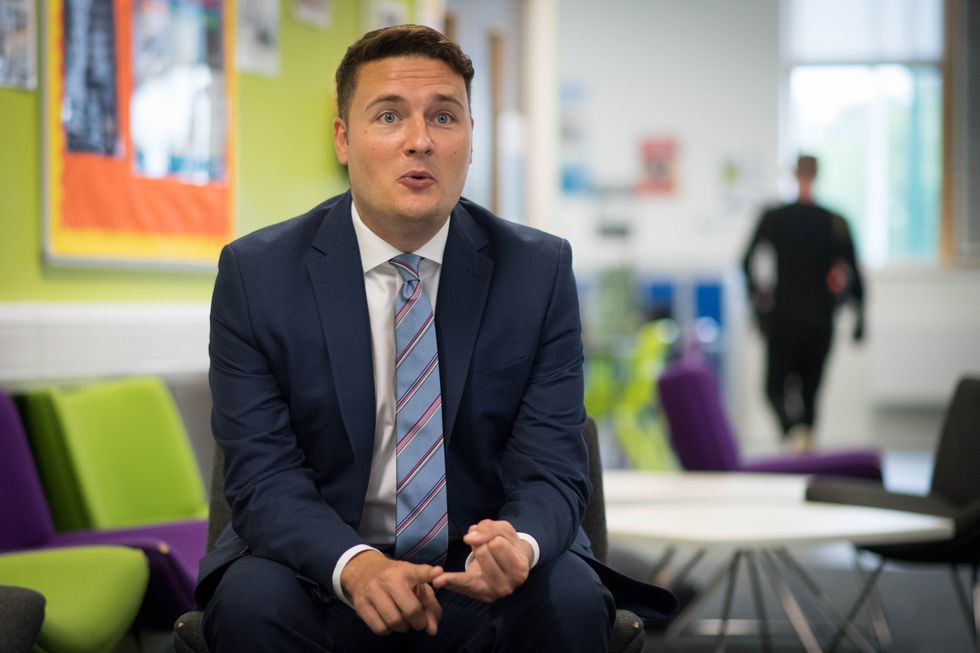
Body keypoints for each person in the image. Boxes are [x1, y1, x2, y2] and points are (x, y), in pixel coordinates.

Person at [196, 24, 675, 652]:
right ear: (344, 139)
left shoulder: (538, 271)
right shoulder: (256, 276)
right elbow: (261, 477)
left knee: (572, 599)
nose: (419, 141)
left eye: (444, 117)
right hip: (320, 570)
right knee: (250, 604)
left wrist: (517, 545)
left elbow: (555, 465)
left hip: (480, 574)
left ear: (471, 140)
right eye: (389, 116)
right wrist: (355, 566)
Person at [741, 154, 866, 452]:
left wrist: (757, 300)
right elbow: (854, 275)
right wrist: (859, 316)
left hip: (784, 318)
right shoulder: (835, 222)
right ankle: (803, 443)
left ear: (794, 174)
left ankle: (794, 433)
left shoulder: (775, 217)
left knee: (774, 389)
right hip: (819, 319)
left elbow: (746, 261)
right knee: (810, 394)